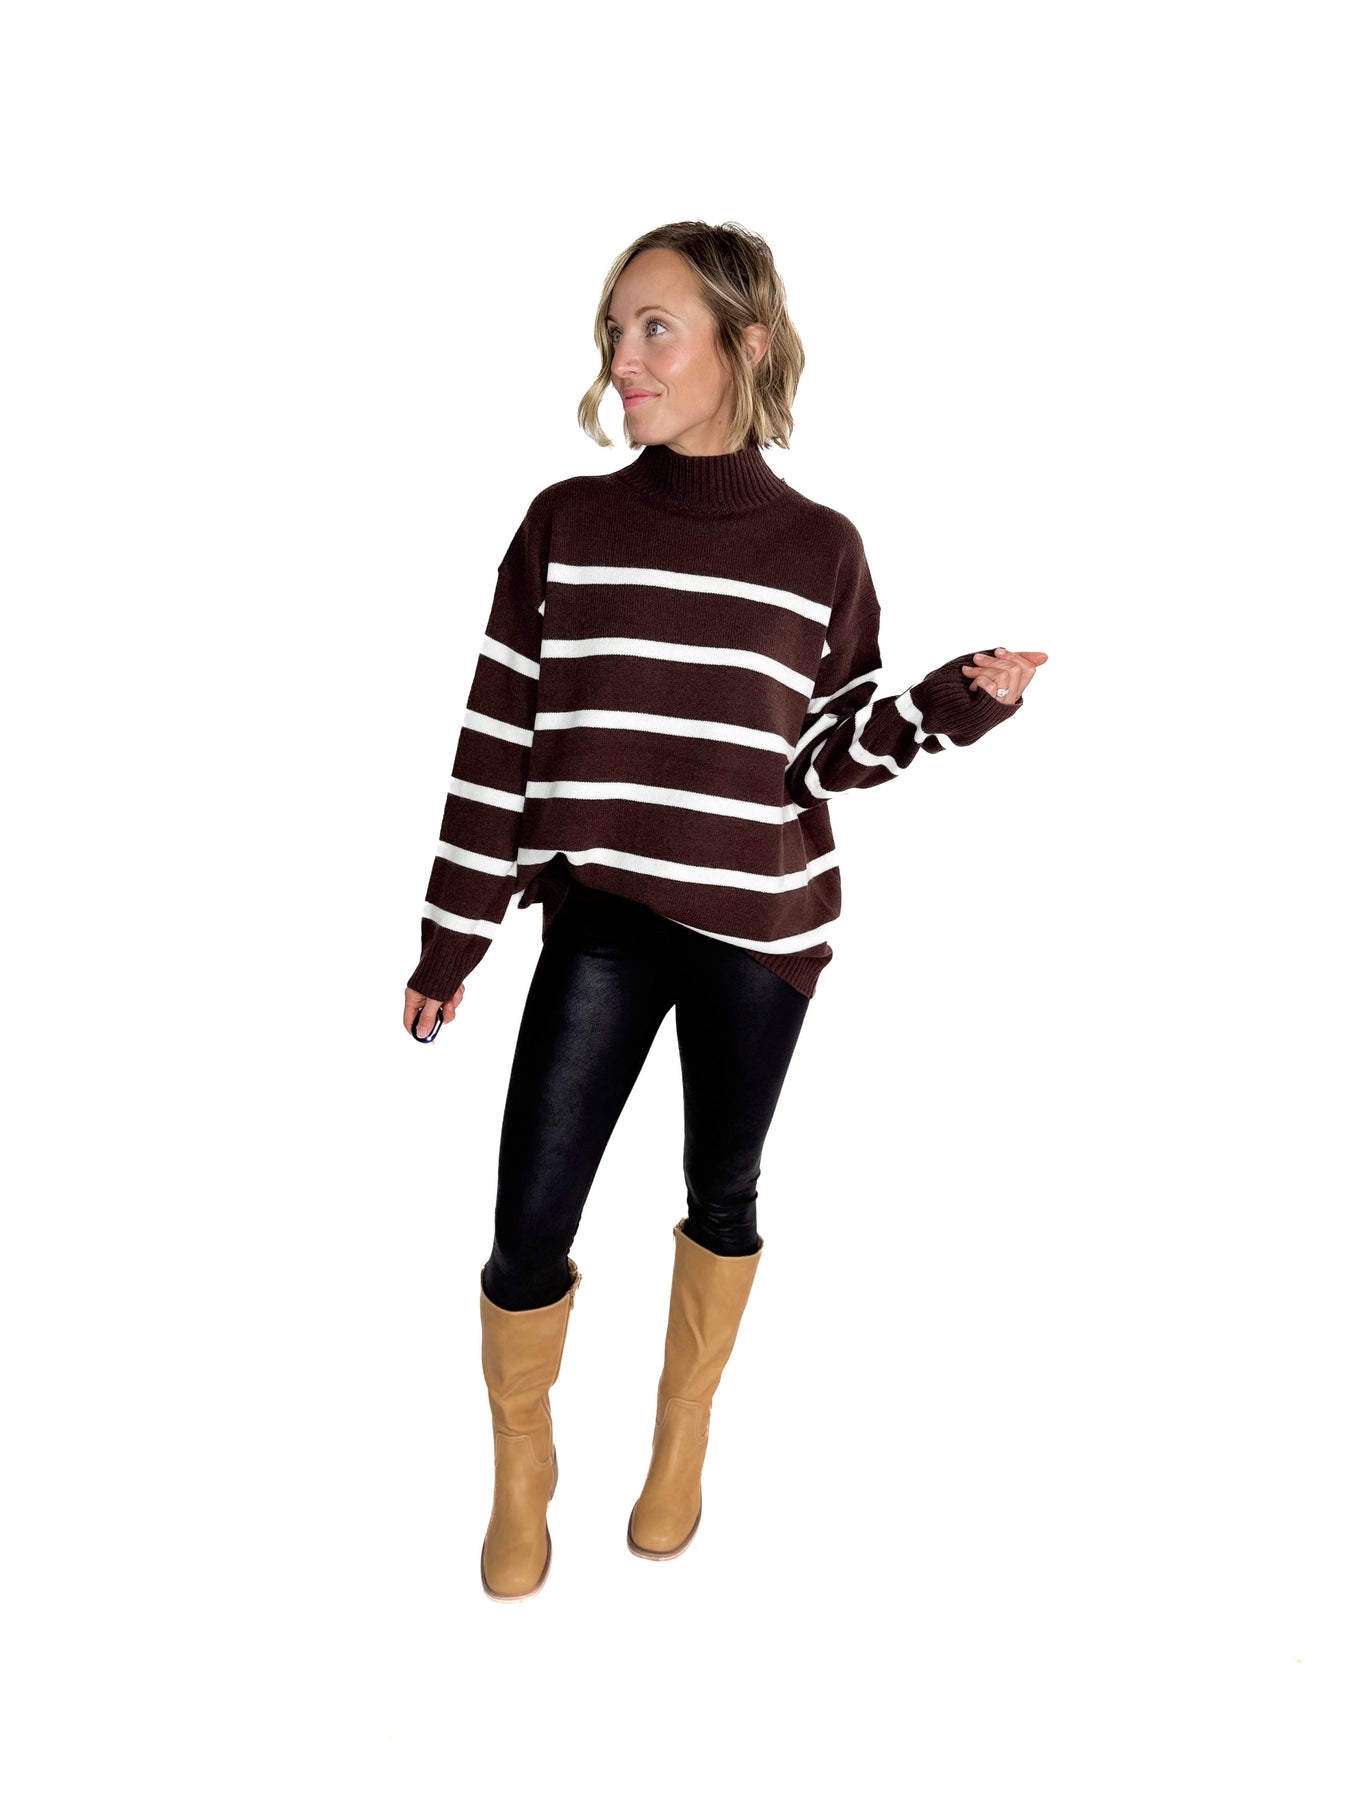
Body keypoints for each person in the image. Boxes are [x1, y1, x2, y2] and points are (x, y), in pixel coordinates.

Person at [402, 220, 1047, 1602]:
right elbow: (496, 735)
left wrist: (949, 706)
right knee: (528, 1221)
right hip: (601, 915)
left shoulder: (820, 548)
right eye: (614, 329)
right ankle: (522, 1466)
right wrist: (454, 934)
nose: (622, 359)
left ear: (743, 346)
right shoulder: (565, 525)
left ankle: (680, 1436)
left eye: (656, 328)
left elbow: (819, 750)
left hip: (759, 928)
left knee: (722, 1191)